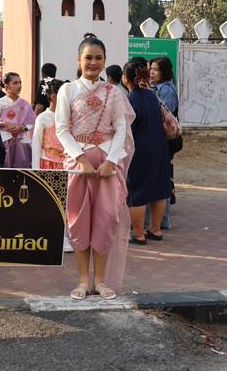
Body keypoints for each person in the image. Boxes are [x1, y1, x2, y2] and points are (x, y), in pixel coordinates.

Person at [56, 33, 135, 301]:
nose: (93, 62)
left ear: (105, 61)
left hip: (108, 165)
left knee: (106, 219)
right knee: (78, 221)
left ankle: (100, 281)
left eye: (98, 58)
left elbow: (121, 128)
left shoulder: (114, 93)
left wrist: (111, 161)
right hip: (78, 165)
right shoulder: (68, 90)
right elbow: (62, 129)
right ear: (78, 60)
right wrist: (81, 159)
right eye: (88, 57)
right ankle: (82, 280)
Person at [122, 61, 171, 245]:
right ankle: (156, 230)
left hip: (140, 149)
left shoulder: (130, 99)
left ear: (126, 78)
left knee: (138, 192)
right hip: (160, 147)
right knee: (159, 190)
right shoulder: (152, 95)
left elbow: (127, 128)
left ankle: (139, 234)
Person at [31, 77, 74, 253]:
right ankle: (46, 234)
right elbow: (36, 144)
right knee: (48, 202)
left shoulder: (70, 117)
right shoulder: (43, 118)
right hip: (47, 164)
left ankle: (63, 237)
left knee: (66, 202)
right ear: (54, 96)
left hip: (66, 165)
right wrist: (36, 170)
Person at [149, 56, 180, 229]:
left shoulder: (166, 89)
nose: (152, 72)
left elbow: (166, 113)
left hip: (165, 139)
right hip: (160, 138)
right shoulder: (157, 87)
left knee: (162, 178)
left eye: (156, 69)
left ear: (165, 72)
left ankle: (163, 220)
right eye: (151, 69)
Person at [0, 72, 35, 168]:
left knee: (21, 170)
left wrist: (22, 127)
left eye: (20, 83)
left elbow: (32, 122)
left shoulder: (25, 104)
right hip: (4, 141)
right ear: (6, 86)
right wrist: (4, 124)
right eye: (15, 83)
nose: (19, 86)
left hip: (21, 142)